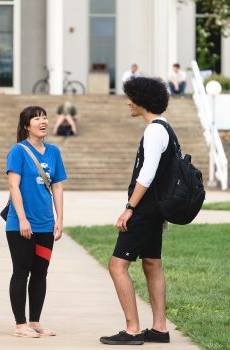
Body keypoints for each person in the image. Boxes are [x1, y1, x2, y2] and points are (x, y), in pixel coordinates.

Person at [100, 77, 172, 345]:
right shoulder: (166, 127)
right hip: (157, 210)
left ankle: (132, 330)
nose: (128, 103)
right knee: (152, 264)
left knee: (117, 265)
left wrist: (129, 208)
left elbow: (148, 174)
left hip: (144, 209)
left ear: (142, 100)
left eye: (131, 97)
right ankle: (160, 328)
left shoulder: (154, 130)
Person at [5, 106, 66, 338]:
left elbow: (58, 186)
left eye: (44, 117)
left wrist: (59, 218)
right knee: (21, 271)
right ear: (26, 126)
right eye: (36, 118)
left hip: (45, 225)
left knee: (41, 272)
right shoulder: (18, 151)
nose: (43, 121)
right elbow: (14, 186)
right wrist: (22, 218)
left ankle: (35, 321)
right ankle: (20, 325)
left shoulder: (54, 152)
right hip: (20, 225)